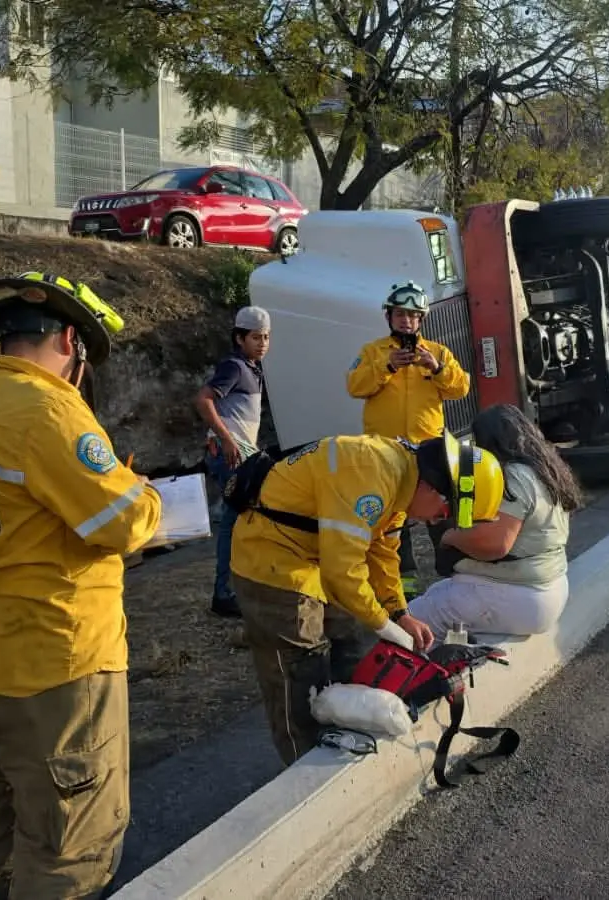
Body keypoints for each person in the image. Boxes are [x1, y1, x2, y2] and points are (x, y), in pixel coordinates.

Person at [0, 271, 162, 900]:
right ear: (68, 341)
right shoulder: (51, 411)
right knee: (69, 845)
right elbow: (124, 523)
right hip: (56, 667)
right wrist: (143, 494)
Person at [227, 431, 503, 765]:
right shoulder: (371, 473)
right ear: (434, 487)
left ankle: (346, 729)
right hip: (272, 560)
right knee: (299, 672)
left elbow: (382, 553)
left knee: (352, 643)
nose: (436, 520)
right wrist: (384, 624)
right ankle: (305, 765)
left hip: (318, 555)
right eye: (445, 512)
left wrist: (400, 613)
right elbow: (343, 570)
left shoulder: (405, 477)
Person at [409, 404, 584, 637]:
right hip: (549, 587)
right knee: (435, 592)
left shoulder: (514, 475)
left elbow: (495, 544)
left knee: (410, 620)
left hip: (518, 596)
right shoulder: (548, 470)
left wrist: (450, 537)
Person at [345, 281, 472, 599]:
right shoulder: (373, 352)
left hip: (430, 451)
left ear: (421, 319)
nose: (407, 321)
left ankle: (454, 575)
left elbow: (461, 388)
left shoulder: (438, 352)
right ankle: (404, 585)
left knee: (441, 514)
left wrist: (437, 369)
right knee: (392, 520)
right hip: (385, 453)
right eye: (400, 314)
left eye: (414, 315)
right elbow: (354, 386)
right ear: (389, 316)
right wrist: (387, 366)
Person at [194, 305, 272, 618]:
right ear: (239, 338)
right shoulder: (234, 367)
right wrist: (226, 439)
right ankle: (224, 593)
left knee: (242, 520)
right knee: (234, 521)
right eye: (256, 337)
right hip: (229, 455)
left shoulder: (251, 368)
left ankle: (236, 588)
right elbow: (203, 399)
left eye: (266, 337)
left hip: (241, 455)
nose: (263, 343)